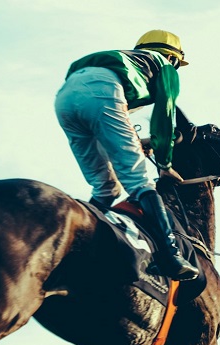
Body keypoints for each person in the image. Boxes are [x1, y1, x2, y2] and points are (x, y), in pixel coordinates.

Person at [55, 29, 199, 280]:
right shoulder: (165, 66)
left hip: (65, 98)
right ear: (173, 57)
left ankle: (77, 242)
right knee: (139, 180)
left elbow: (109, 114)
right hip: (104, 92)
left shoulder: (126, 60)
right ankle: (171, 256)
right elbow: (164, 115)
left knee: (106, 187)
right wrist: (164, 163)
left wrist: (139, 142)